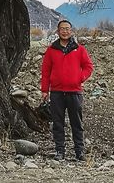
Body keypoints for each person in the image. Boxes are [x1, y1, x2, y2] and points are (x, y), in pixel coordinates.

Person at [40, 19, 94, 162]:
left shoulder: (80, 49)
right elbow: (45, 71)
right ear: (58, 31)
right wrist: (45, 90)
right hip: (57, 92)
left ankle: (79, 152)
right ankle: (60, 151)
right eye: (62, 29)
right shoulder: (51, 50)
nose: (65, 31)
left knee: (77, 123)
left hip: (74, 92)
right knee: (58, 123)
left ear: (71, 31)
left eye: (67, 29)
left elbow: (89, 66)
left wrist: (80, 78)